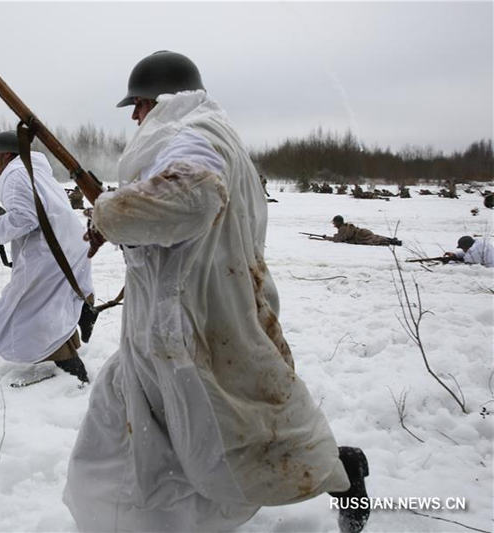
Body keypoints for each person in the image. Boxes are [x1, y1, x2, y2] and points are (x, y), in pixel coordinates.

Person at [64, 51, 370, 533]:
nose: (136, 118)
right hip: (162, 333)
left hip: (193, 333)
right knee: (121, 443)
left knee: (233, 455)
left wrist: (108, 212)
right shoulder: (205, 134)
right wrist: (125, 221)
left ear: (157, 100)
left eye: (139, 106)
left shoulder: (189, 135)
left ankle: (338, 472)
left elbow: (194, 196)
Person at [0, 131, 94, 383]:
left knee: (22, 314)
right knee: (51, 305)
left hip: (51, 252)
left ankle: (71, 369)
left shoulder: (14, 175)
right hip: (70, 244)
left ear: (7, 155)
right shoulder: (35, 171)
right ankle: (82, 317)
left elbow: (25, 217)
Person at [326, 215, 401, 246]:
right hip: (362, 232)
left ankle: (392, 242)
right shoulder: (345, 226)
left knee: (375, 240)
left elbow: (341, 238)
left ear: (338, 222)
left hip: (361, 235)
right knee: (375, 237)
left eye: (335, 222)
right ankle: (392, 240)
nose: (334, 224)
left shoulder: (342, 228)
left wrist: (329, 238)